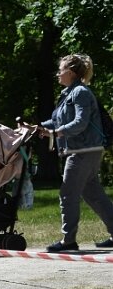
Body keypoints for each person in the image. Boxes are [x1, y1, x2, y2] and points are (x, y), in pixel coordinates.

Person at [32, 54, 113, 252]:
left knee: (68, 193)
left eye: (60, 70)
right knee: (94, 195)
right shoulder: (69, 93)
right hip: (84, 150)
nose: (58, 74)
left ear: (71, 72)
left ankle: (68, 240)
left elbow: (80, 122)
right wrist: (37, 128)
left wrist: (56, 132)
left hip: (82, 151)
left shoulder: (80, 93)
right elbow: (59, 121)